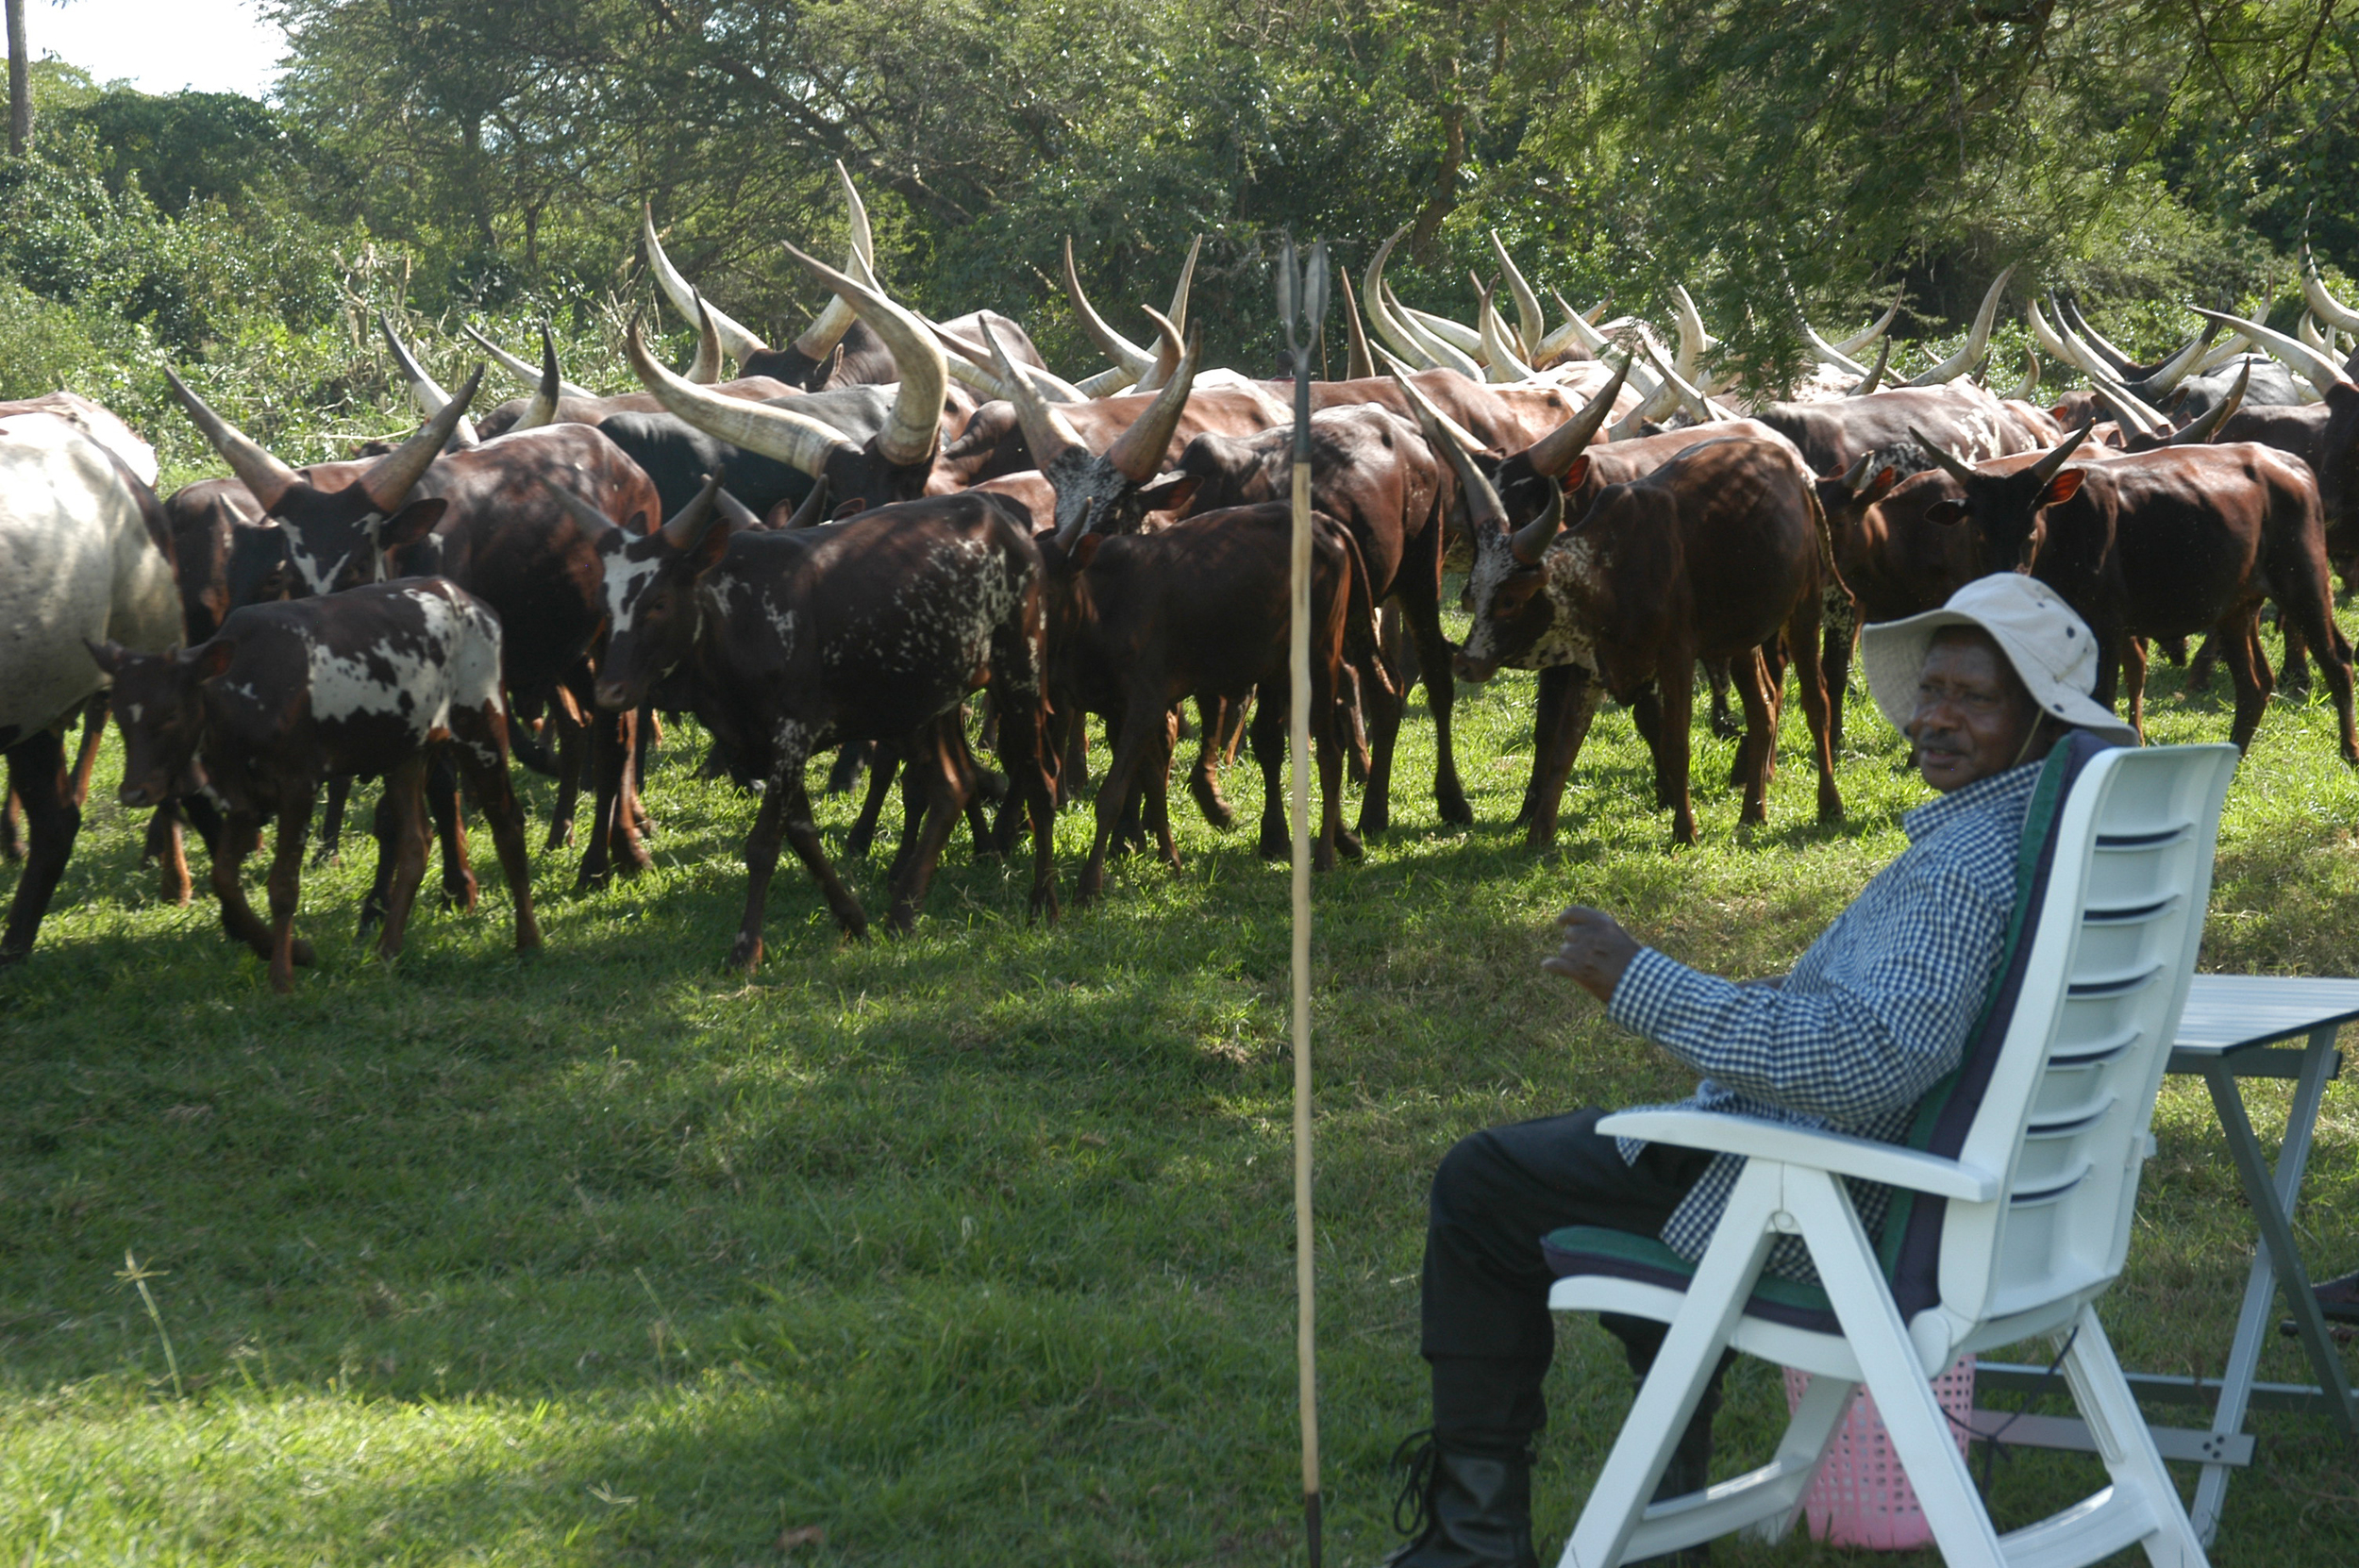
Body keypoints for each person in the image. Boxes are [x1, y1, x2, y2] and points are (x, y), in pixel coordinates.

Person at [1383, 574, 2137, 1568]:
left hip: (1840, 1204)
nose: (1936, 718)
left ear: (2041, 722)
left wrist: (1644, 985)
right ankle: (1661, 1521)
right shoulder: (2037, 841)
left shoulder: (1964, 870)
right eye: (1932, 690)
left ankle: (1473, 1541)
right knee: (1613, 1209)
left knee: (1483, 1181)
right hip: (1979, 1204)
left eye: (1976, 699)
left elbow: (1872, 1058)